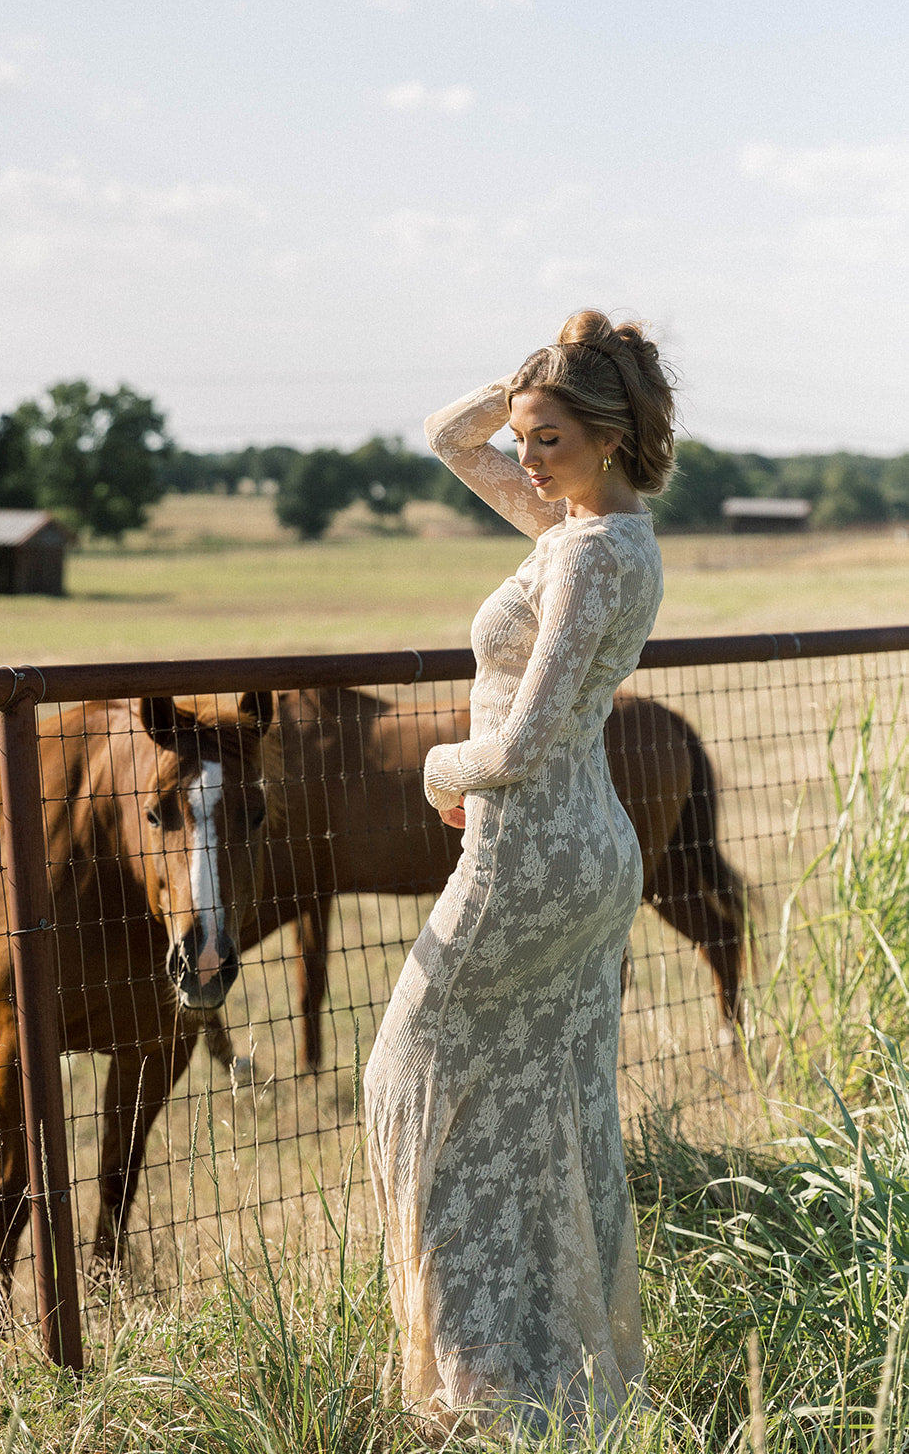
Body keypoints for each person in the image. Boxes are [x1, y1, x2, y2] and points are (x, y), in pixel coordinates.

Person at [363, 309, 675, 1443]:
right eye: (526, 440)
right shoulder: (591, 527)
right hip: (581, 851)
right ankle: (549, 1370)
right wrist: (536, 380)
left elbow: (524, 741)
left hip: (528, 856)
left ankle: (478, 1383)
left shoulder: (584, 551)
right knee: (544, 1108)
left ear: (609, 437)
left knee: (409, 1081)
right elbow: (449, 436)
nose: (526, 458)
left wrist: (435, 770)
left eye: (551, 439)